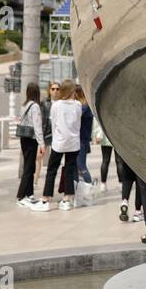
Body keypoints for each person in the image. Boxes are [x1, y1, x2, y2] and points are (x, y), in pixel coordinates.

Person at [33, 79, 81, 212]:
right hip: (74, 142)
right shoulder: (77, 105)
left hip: (59, 142)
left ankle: (46, 199)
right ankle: (66, 199)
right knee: (69, 170)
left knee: (52, 170)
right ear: (72, 91)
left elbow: (53, 124)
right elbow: (78, 124)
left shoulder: (57, 105)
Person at [16, 82, 44, 207]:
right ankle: (21, 196)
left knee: (30, 166)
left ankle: (29, 194)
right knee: (28, 168)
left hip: (24, 138)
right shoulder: (35, 107)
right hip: (31, 138)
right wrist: (41, 143)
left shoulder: (24, 105)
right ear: (37, 92)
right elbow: (37, 126)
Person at [73, 84, 94, 185]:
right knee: (77, 167)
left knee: (81, 166)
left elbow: (73, 118)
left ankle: (89, 187)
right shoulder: (84, 106)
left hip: (81, 141)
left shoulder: (84, 107)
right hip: (80, 140)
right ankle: (77, 191)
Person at [93, 111, 113, 193]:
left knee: (105, 160)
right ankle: (121, 183)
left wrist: (98, 135)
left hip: (106, 137)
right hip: (116, 137)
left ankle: (103, 184)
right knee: (119, 162)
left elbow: (98, 120)